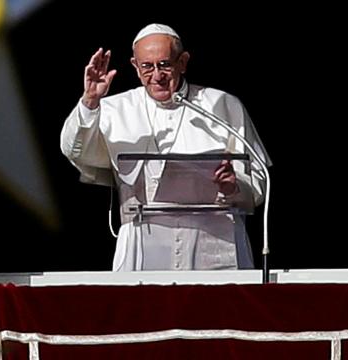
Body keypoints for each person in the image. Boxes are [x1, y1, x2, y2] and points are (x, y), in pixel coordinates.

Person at [60, 23, 271, 271]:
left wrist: (234, 186)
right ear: (135, 67)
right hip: (143, 246)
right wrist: (90, 101)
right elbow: (75, 151)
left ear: (183, 62)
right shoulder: (114, 109)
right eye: (147, 66)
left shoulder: (222, 104)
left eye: (165, 65)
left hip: (214, 244)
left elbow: (261, 179)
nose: (157, 75)